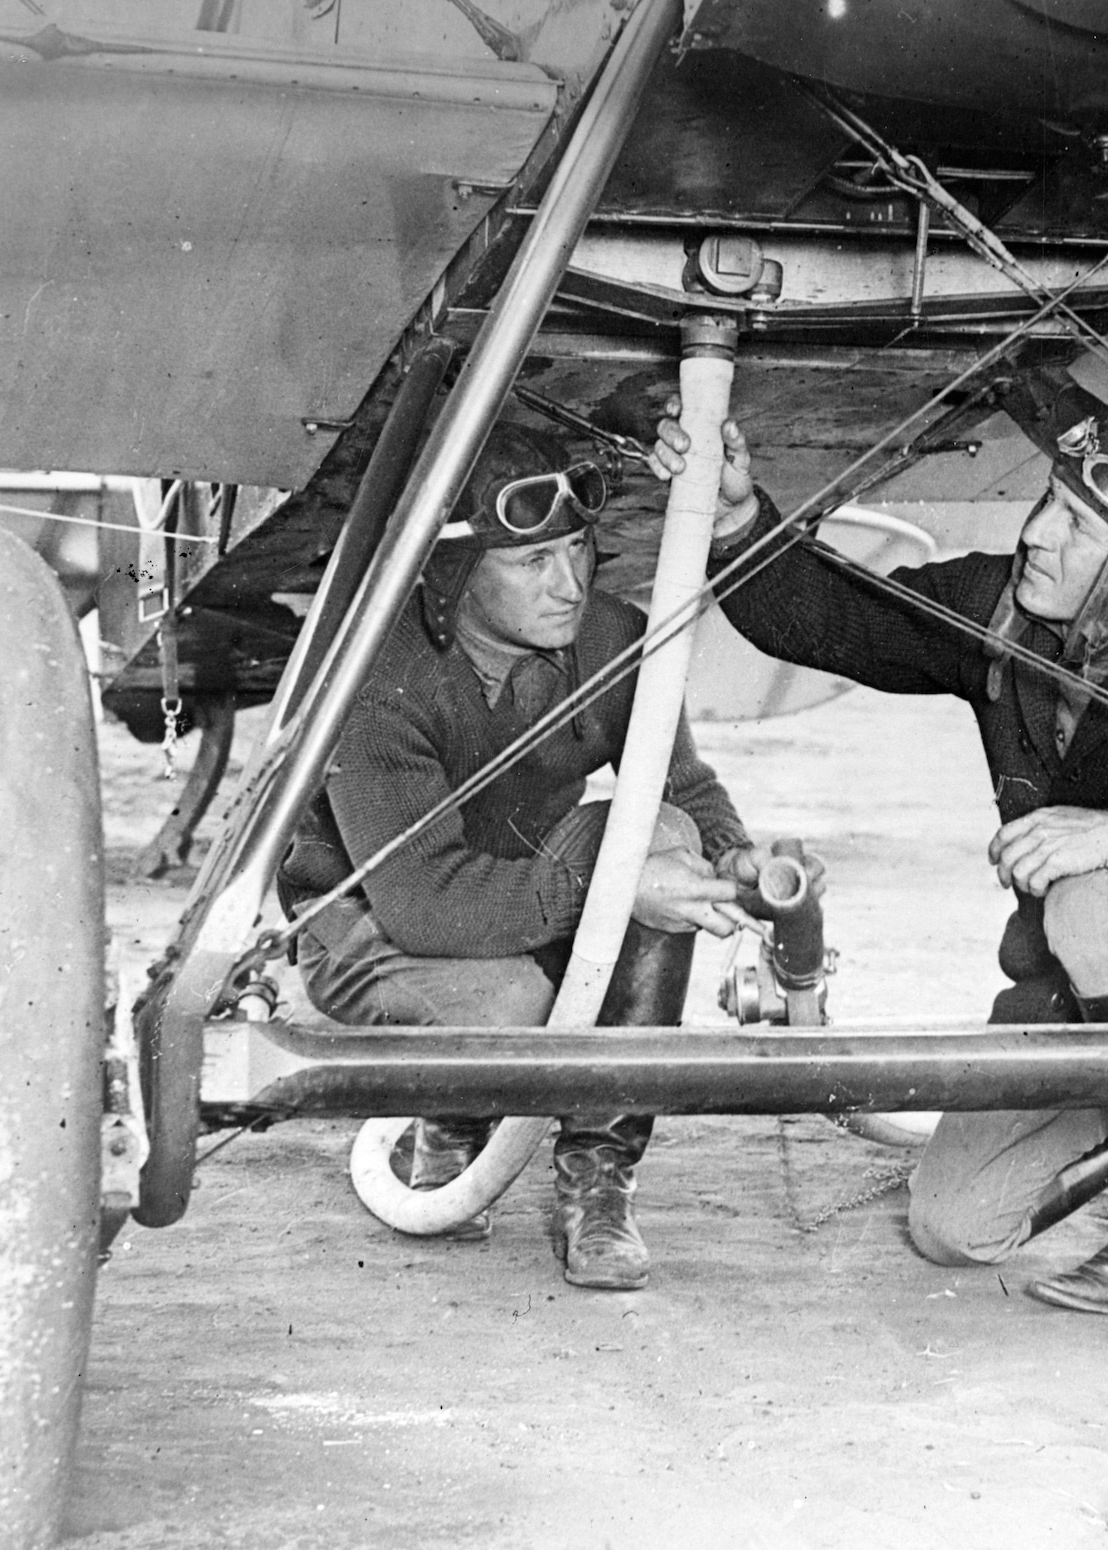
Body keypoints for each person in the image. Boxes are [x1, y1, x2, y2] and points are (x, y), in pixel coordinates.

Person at [650, 375, 1108, 1315]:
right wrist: (737, 520)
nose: (1035, 536)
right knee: (955, 1227)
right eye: (1048, 504)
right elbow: (834, 620)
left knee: (1087, 895)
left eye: (1076, 527)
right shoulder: (1008, 610)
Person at [279, 421, 796, 1293]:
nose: (570, 585)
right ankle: (449, 1119)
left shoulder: (610, 639)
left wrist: (732, 858)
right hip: (374, 924)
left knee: (655, 832)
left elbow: (680, 782)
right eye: (531, 563)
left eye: (578, 550)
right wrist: (621, 876)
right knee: (520, 990)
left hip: (529, 900)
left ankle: (599, 1174)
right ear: (453, 572)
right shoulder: (380, 676)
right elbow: (424, 903)